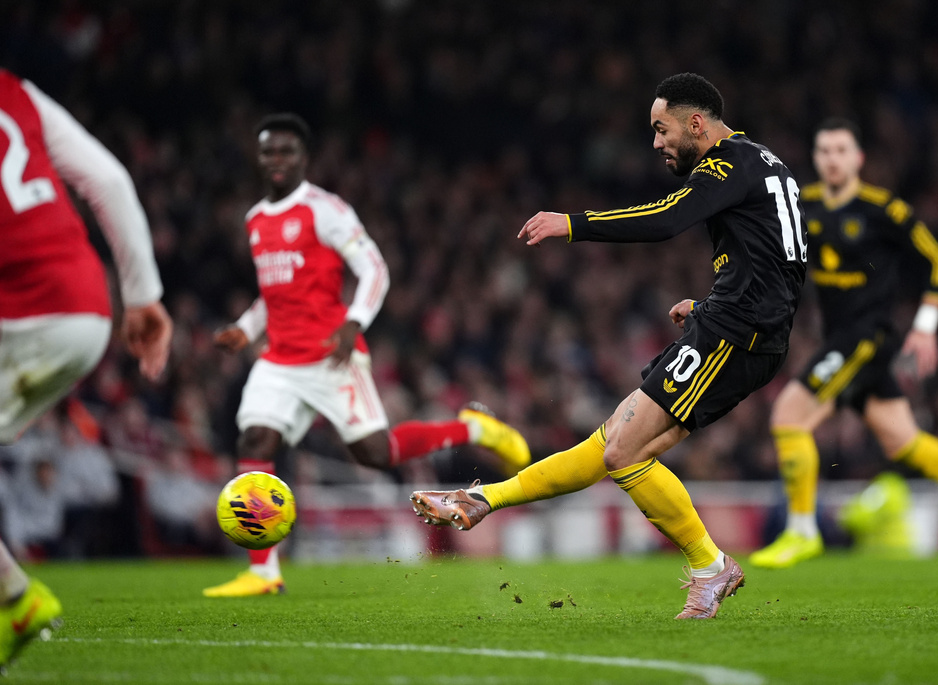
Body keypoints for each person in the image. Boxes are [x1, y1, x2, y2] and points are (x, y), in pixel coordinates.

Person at [411, 73, 807, 619]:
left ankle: (710, 566)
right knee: (613, 444)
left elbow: (667, 219)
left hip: (737, 335)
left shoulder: (725, 163)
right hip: (740, 328)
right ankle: (484, 499)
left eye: (661, 129)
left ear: (696, 123)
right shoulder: (764, 161)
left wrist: (571, 223)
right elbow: (780, 258)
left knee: (623, 452)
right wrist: (712, 303)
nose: (656, 142)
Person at [202, 113, 530, 598]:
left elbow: (374, 267)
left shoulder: (325, 209)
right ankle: (264, 571)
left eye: (286, 151)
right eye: (268, 151)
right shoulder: (255, 220)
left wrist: (354, 321)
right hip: (278, 360)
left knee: (377, 453)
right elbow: (273, 295)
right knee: (255, 438)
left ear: (303, 158)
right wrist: (245, 328)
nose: (276, 160)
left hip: (332, 356)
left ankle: (475, 428)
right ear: (258, 157)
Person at [748, 118, 938, 569]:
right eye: (824, 151)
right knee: (903, 441)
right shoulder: (802, 204)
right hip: (842, 338)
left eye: (841, 150)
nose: (832, 159)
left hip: (867, 336)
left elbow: (936, 260)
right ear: (816, 158)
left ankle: (802, 531)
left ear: (858, 159)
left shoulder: (882, 209)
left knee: (789, 416)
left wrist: (925, 327)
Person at [0, 69, 172, 669]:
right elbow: (109, 178)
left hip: (20, 308)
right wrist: (144, 296)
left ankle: (19, 598)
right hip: (87, 310)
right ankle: (17, 599)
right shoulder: (13, 90)